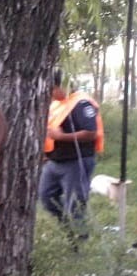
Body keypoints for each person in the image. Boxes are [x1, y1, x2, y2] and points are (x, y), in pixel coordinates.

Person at [39, 70, 104, 236]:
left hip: (76, 162)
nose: (50, 94)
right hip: (54, 162)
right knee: (46, 197)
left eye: (51, 89)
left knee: (75, 205)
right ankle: (68, 230)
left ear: (59, 86)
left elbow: (91, 132)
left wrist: (62, 137)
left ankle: (79, 243)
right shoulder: (57, 104)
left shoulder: (81, 103)